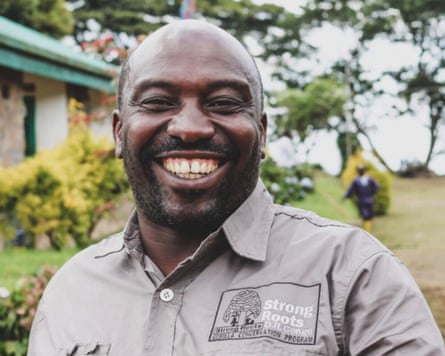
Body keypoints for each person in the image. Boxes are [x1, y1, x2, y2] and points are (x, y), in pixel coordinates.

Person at [28, 20, 445, 355]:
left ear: (261, 133)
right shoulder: (72, 291)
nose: (190, 128)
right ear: (119, 133)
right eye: (157, 102)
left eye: (224, 103)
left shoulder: (354, 276)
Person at [343, 164, 379, 232]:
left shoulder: (369, 179)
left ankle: (369, 230)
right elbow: (351, 190)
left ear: (364, 170)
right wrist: (345, 196)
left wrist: (372, 192)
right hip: (361, 201)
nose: (361, 171)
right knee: (364, 215)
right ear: (358, 171)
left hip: (369, 200)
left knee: (370, 216)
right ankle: (366, 230)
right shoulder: (356, 181)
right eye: (359, 170)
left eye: (362, 170)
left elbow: (376, 186)